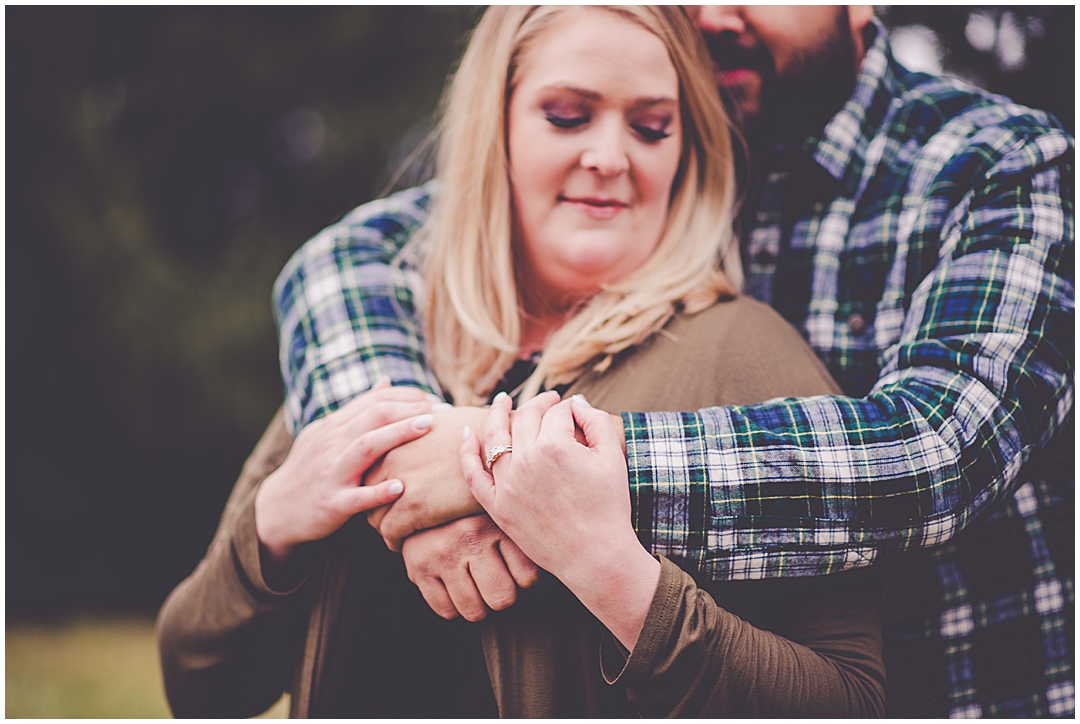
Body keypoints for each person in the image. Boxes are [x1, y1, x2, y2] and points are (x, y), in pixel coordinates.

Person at [269, 5, 1074, 718]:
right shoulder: (671, 154)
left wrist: (529, 477)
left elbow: (937, 451)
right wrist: (404, 469)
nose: (712, 11)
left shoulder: (998, 162)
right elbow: (350, 256)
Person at [157, 5, 887, 717]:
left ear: (686, 149)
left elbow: (853, 702)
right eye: (567, 115)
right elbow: (199, 688)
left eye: (651, 126)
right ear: (495, 128)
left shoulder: (746, 352)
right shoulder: (387, 347)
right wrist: (274, 526)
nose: (608, 156)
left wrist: (615, 574)